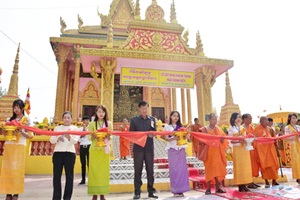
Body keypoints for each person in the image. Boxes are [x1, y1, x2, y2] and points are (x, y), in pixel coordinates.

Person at [0, 99, 33, 200]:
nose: (16, 109)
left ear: (22, 108)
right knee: (8, 170)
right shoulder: (8, 120)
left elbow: (30, 136)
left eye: (18, 107)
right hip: (9, 146)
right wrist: (5, 131)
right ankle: (8, 192)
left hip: (19, 146)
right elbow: (5, 134)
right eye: (14, 107)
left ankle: (16, 193)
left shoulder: (26, 120)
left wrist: (21, 131)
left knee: (17, 170)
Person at [130, 101, 158, 199]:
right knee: (138, 170)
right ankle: (137, 192)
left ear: (148, 108)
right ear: (139, 109)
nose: (144, 110)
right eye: (142, 108)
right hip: (138, 149)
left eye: (146, 108)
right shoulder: (134, 120)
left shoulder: (152, 120)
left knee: (150, 170)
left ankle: (151, 191)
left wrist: (152, 134)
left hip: (149, 148)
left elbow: (155, 132)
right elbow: (131, 135)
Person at [50, 111, 80, 200]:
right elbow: (51, 140)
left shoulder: (75, 128)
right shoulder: (57, 128)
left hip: (70, 153)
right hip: (58, 153)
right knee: (56, 176)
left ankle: (67, 197)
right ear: (62, 119)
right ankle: (56, 197)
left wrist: (69, 137)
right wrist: (57, 138)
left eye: (68, 117)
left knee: (69, 177)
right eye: (65, 117)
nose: (66, 119)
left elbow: (75, 141)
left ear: (71, 119)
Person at [88, 105, 113, 200]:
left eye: (103, 112)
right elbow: (89, 137)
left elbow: (111, 136)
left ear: (105, 113)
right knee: (94, 172)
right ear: (96, 113)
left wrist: (108, 137)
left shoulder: (109, 124)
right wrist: (93, 137)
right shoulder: (92, 124)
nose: (101, 114)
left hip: (104, 151)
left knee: (103, 173)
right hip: (95, 150)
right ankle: (94, 194)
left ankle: (102, 194)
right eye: (99, 112)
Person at [163, 111, 190, 197]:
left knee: (182, 170)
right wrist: (174, 138)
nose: (176, 118)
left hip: (181, 149)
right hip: (172, 149)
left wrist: (185, 135)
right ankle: (175, 190)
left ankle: (182, 190)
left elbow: (186, 137)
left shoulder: (181, 127)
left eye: (177, 116)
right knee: (174, 169)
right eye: (174, 116)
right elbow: (166, 138)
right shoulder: (167, 127)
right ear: (170, 117)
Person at [201, 113, 228, 195]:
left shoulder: (219, 129)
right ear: (209, 119)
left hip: (218, 153)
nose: (215, 120)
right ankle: (208, 188)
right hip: (209, 153)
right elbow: (202, 141)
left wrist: (222, 140)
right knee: (209, 170)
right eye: (213, 119)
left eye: (216, 119)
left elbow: (224, 140)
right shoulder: (204, 129)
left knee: (218, 169)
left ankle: (218, 187)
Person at [228, 113, 252, 192]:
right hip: (237, 149)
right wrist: (239, 140)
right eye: (236, 117)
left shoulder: (242, 128)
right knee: (239, 167)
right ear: (233, 119)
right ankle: (240, 185)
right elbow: (231, 140)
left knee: (245, 167)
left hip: (244, 149)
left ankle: (245, 184)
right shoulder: (231, 128)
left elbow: (245, 138)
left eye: (239, 117)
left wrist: (246, 140)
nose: (238, 119)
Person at [253, 116, 279, 188]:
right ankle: (266, 181)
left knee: (274, 165)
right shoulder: (257, 129)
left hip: (270, 150)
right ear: (261, 122)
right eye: (265, 121)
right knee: (264, 166)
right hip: (263, 152)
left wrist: (274, 140)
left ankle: (274, 180)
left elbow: (274, 138)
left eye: (267, 121)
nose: (266, 122)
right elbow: (255, 139)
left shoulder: (269, 129)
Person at [242, 113, 260, 189]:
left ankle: (251, 181)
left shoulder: (251, 127)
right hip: (245, 149)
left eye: (251, 119)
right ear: (244, 119)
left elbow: (255, 135)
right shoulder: (241, 128)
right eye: (249, 118)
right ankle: (248, 182)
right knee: (247, 165)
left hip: (252, 148)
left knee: (253, 165)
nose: (251, 120)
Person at [284, 113, 300, 185]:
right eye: (293, 118)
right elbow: (287, 138)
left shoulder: (298, 127)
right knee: (296, 161)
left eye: (295, 118)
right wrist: (295, 135)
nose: (294, 119)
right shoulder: (287, 127)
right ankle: (298, 177)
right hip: (293, 145)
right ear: (289, 119)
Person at [78, 116, 91, 185]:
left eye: (87, 120)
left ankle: (91, 179)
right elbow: (78, 139)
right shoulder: (80, 129)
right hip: (82, 146)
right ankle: (83, 179)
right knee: (83, 164)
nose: (86, 121)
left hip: (89, 145)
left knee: (90, 163)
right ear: (83, 121)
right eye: (85, 120)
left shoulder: (91, 128)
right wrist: (82, 135)